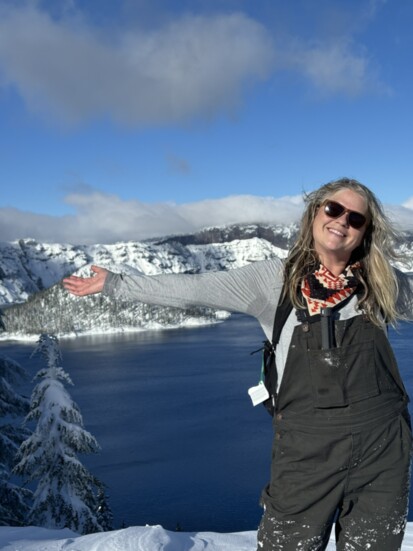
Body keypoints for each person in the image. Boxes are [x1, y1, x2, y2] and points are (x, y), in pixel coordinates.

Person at [63, 178, 413, 551]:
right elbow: (197, 288)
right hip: (308, 455)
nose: (342, 221)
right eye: (333, 209)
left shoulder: (382, 283)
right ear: (314, 213)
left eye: (355, 218)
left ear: (364, 232)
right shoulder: (272, 281)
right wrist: (118, 284)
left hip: (383, 451)